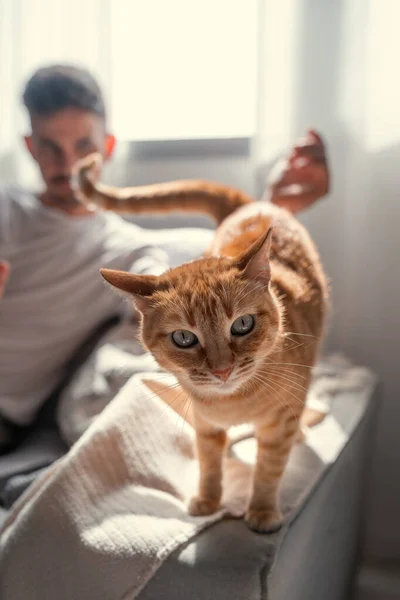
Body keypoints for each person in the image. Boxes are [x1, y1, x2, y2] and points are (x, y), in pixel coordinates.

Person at [0, 64, 329, 444]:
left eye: (83, 146)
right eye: (50, 147)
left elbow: (228, 268)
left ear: (107, 146)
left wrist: (276, 206)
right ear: (29, 147)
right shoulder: (7, 207)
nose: (68, 165)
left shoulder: (129, 250)